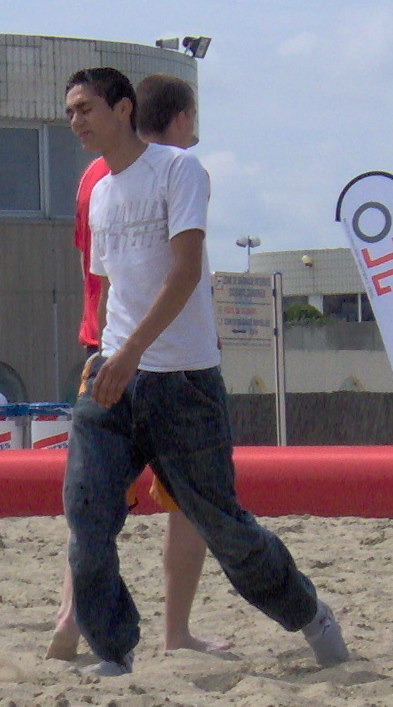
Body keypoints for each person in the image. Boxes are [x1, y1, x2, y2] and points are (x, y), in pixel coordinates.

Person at [61, 65, 349, 676]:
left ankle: (310, 616)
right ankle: (113, 652)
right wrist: (103, 355)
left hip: (183, 382)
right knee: (87, 518)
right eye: (69, 112)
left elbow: (185, 271)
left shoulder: (178, 170)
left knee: (225, 529)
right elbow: (116, 288)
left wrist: (131, 352)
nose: (75, 122)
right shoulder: (101, 192)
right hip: (114, 376)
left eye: (85, 108)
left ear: (122, 108)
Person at [47, 72, 224, 659]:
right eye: (191, 121)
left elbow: (91, 271)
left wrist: (99, 341)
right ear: (177, 120)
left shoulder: (95, 177)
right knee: (186, 504)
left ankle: (73, 618)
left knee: (91, 501)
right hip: (144, 354)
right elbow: (176, 271)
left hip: (105, 346)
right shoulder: (162, 171)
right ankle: (174, 631)